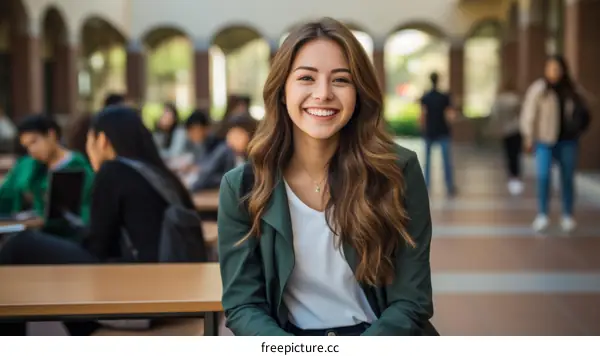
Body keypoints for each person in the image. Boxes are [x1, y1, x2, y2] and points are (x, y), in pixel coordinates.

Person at [217, 17, 434, 336]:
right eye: (306, 77)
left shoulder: (397, 171)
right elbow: (243, 305)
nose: (323, 94)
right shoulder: (242, 187)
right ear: (282, 90)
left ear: (359, 93)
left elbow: (411, 301)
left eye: (341, 80)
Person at [0, 106, 200, 335]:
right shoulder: (160, 174)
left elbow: (98, 245)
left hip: (138, 294)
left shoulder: (112, 172)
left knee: (18, 245)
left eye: (89, 140)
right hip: (169, 290)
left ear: (102, 140)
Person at [521, 55, 590, 233]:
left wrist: (578, 127)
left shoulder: (572, 89)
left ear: (563, 69)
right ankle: (542, 214)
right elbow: (529, 114)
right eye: (550, 68)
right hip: (544, 140)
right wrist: (529, 137)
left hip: (567, 141)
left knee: (567, 178)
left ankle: (567, 214)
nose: (554, 71)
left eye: (557, 68)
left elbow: (585, 109)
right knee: (543, 177)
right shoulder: (539, 89)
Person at [0, 114, 94, 239]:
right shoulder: (27, 165)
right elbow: (5, 193)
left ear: (51, 135)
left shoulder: (78, 166)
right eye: (27, 146)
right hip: (26, 230)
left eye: (34, 142)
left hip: (66, 237)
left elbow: (84, 210)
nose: (32, 150)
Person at [420, 72, 457, 196]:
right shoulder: (444, 96)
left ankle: (426, 184)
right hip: (443, 131)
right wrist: (450, 127)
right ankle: (449, 185)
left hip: (430, 131)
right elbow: (450, 115)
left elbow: (422, 115)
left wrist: (423, 129)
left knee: (428, 161)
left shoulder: (426, 97)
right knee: (446, 160)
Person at [190, 120, 253, 191]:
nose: (235, 139)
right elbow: (208, 172)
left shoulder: (251, 154)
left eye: (240, 135)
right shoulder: (224, 151)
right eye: (233, 136)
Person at [489, 77, 523, 195]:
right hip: (516, 129)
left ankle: (511, 177)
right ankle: (516, 176)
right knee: (516, 154)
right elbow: (522, 113)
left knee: (509, 154)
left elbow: (495, 114)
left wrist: (496, 127)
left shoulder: (500, 99)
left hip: (506, 131)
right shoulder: (516, 99)